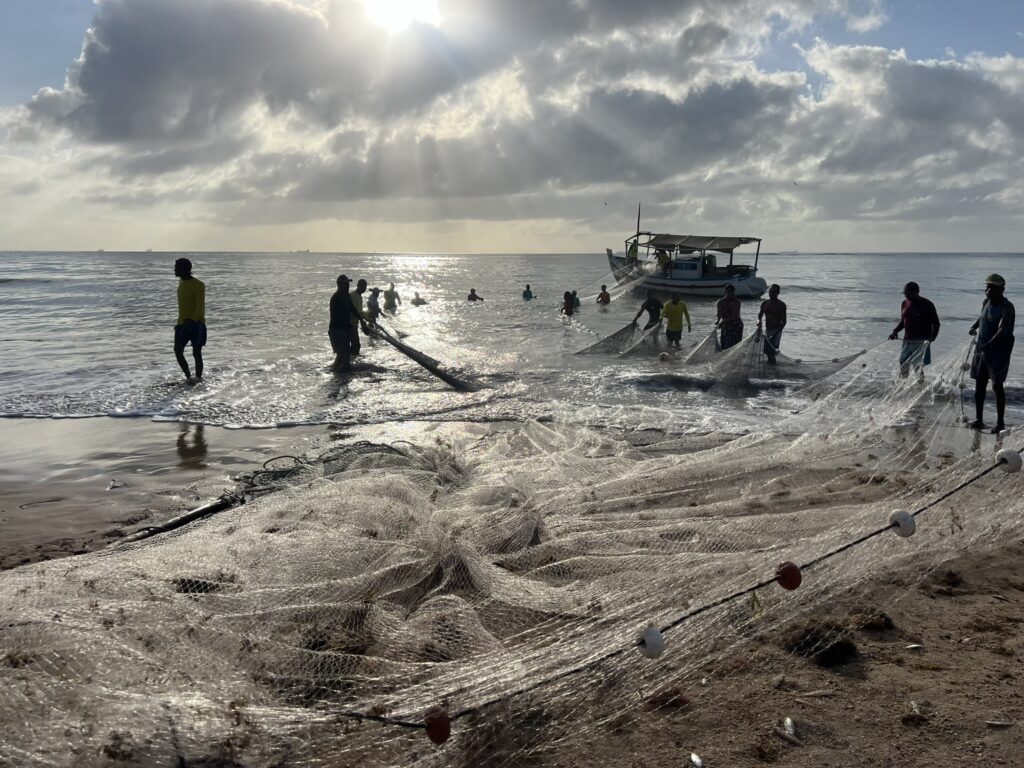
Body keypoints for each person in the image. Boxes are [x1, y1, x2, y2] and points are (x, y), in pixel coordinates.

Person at [969, 274, 1015, 433]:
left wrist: (989, 344)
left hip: (998, 352)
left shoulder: (1007, 307)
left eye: (992, 288)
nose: (987, 290)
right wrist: (974, 326)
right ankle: (979, 419)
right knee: (980, 384)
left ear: (1001, 290)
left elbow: (1003, 330)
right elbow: (981, 317)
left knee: (996, 385)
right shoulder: (986, 302)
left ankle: (1000, 423)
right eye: (986, 287)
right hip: (982, 350)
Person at [888, 281, 940, 378]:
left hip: (921, 341)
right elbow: (903, 321)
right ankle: (903, 384)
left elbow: (936, 324)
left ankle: (920, 387)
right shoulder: (904, 303)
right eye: (905, 293)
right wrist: (895, 331)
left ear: (916, 292)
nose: (906, 295)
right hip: (907, 340)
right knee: (903, 363)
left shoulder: (927, 304)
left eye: (908, 293)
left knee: (917, 366)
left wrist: (932, 338)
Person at [173, 257, 206, 384]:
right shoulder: (181, 282)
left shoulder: (199, 285)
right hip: (181, 323)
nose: (174, 269)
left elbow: (200, 306)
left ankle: (198, 378)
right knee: (177, 350)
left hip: (197, 323)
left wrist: (191, 320)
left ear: (184, 269)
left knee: (196, 352)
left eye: (176, 267)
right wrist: (180, 323)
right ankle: (188, 378)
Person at [329, 274, 365, 371]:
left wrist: (361, 320)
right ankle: (339, 377)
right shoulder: (336, 298)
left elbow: (352, 309)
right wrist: (349, 328)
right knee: (345, 359)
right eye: (345, 284)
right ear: (339, 285)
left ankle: (335, 373)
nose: (348, 286)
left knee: (341, 357)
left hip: (344, 328)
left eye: (348, 283)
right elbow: (338, 317)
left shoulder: (347, 296)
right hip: (337, 330)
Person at [757, 284, 788, 365]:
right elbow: (759, 316)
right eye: (770, 291)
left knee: (772, 351)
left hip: (776, 330)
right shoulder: (765, 303)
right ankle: (771, 368)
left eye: (774, 292)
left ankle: (773, 368)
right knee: (767, 351)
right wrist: (758, 322)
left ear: (778, 293)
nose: (771, 293)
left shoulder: (781, 305)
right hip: (768, 330)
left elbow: (783, 321)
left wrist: (776, 333)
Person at [716, 285, 743, 350]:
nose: (731, 293)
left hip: (736, 325)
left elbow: (735, 315)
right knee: (724, 345)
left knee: (734, 346)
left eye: (732, 292)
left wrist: (723, 321)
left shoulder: (737, 302)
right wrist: (717, 321)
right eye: (729, 291)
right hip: (725, 325)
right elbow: (719, 314)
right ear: (725, 292)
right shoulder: (720, 302)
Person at [350, 278, 368, 355]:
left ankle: (351, 360)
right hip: (349, 324)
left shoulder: (359, 297)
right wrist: (362, 319)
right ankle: (351, 361)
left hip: (354, 324)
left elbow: (360, 312)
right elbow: (354, 311)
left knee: (355, 345)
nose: (363, 289)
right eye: (362, 287)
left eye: (365, 287)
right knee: (356, 345)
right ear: (357, 286)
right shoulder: (353, 295)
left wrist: (367, 318)